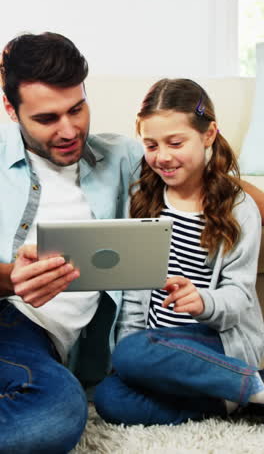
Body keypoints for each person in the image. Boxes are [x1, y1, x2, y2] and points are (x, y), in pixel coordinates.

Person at [0, 31, 142, 453]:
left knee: (54, 413)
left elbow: (223, 191)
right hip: (11, 318)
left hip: (37, 347)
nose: (69, 130)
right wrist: (11, 279)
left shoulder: (122, 157)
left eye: (77, 109)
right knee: (55, 409)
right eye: (47, 119)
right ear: (11, 109)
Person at [94, 78, 264, 426]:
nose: (163, 156)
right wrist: (132, 361)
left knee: (134, 353)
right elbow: (134, 295)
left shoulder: (239, 208)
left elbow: (239, 296)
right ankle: (230, 403)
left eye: (176, 142)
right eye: (151, 145)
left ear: (209, 134)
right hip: (156, 348)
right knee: (110, 397)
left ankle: (251, 384)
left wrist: (202, 301)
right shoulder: (142, 200)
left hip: (216, 342)